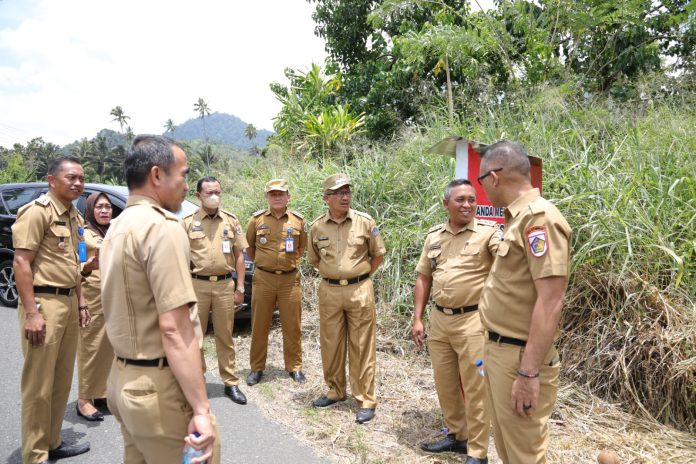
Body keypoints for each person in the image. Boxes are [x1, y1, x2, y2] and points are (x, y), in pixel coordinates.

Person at [101, 135, 219, 463]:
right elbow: (175, 329)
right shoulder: (162, 227)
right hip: (160, 392)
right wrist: (200, 409)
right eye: (182, 175)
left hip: (124, 381)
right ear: (156, 176)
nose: (186, 185)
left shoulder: (117, 227)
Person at [477, 141, 572, 464]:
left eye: (481, 180)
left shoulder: (539, 218)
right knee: (509, 447)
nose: (483, 189)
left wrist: (529, 374)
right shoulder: (518, 220)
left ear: (496, 176)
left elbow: (551, 299)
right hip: (501, 351)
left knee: (524, 454)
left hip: (520, 356)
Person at [412, 179, 500, 464]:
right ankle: (457, 436)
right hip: (439, 321)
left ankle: (477, 450)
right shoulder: (434, 237)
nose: (467, 204)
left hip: (473, 322)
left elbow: (509, 265)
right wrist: (417, 318)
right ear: (445, 203)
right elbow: (424, 277)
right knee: (445, 382)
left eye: (472, 199)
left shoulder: (488, 235)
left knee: (476, 386)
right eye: (460, 199)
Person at [12, 156, 91, 463]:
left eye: (81, 178)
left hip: (70, 302)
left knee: (61, 380)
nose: (78, 183)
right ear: (52, 180)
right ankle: (34, 454)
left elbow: (75, 264)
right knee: (38, 384)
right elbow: (21, 262)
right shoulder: (37, 212)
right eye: (71, 177)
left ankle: (53, 441)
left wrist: (82, 301)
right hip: (45, 304)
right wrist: (32, 312)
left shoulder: (75, 217)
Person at [307, 173, 385, 424]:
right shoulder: (317, 226)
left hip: (359, 290)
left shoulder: (365, 222)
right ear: (326, 198)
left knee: (361, 345)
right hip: (329, 290)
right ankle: (335, 391)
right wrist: (336, 276)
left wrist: (358, 278)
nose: (345, 196)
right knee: (331, 343)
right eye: (338, 192)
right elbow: (315, 260)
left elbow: (377, 255)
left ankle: (364, 399)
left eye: (347, 191)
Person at [183, 176, 248, 405]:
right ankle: (196, 384)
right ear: (198, 195)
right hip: (196, 286)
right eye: (209, 192)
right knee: (195, 338)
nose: (214, 196)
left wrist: (240, 287)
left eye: (218, 192)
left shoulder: (231, 221)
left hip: (224, 286)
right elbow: (180, 259)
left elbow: (240, 255)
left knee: (225, 335)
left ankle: (230, 382)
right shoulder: (187, 222)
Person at [245, 179, 307, 386]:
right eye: (273, 194)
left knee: (292, 325)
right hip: (264, 278)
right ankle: (256, 368)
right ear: (267, 198)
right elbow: (250, 249)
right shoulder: (256, 220)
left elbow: (301, 248)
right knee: (260, 324)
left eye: (281, 194)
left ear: (288, 197)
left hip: (290, 280)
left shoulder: (298, 221)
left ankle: (294, 367)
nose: (277, 197)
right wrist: (265, 265)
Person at [76, 192, 114, 422]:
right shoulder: (83, 233)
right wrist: (88, 266)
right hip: (91, 298)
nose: (104, 211)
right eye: (99, 207)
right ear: (91, 209)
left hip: (112, 298)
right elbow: (78, 264)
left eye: (108, 207)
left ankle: (102, 393)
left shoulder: (112, 232)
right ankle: (84, 399)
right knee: (90, 349)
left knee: (108, 349)